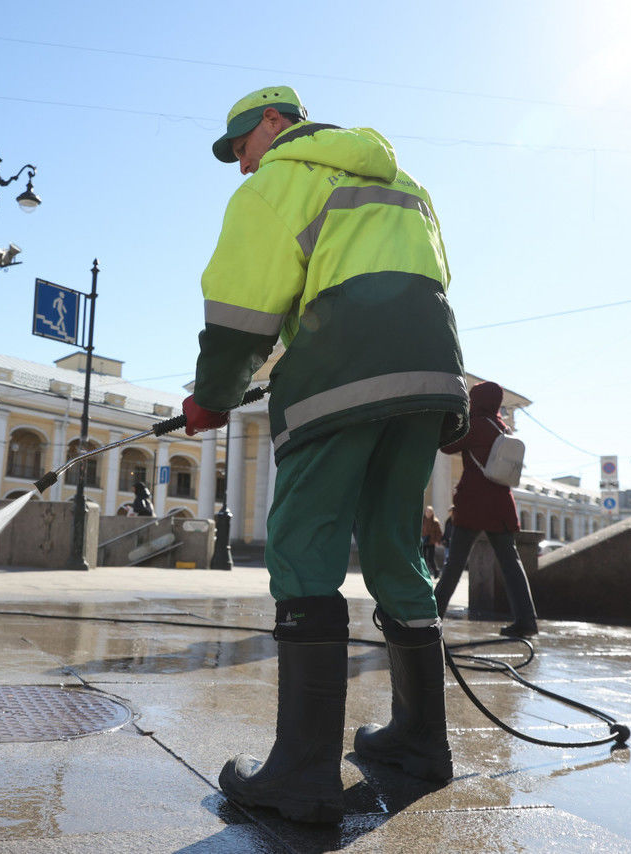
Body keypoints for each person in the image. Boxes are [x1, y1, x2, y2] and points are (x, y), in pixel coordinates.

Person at [181, 86, 468, 823]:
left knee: (303, 546)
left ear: (272, 123)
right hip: (430, 376)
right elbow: (437, 285)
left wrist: (214, 394)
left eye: (241, 146)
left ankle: (302, 776)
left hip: (338, 378)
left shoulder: (282, 179)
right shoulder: (404, 183)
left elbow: (241, 308)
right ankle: (418, 743)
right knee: (395, 547)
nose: (242, 166)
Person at [432, 381, 538, 637]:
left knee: (454, 565)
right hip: (501, 506)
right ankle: (527, 621)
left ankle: (430, 620)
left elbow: (446, 446)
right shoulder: (503, 427)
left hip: (473, 505)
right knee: (512, 566)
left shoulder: (477, 424)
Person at [421, 506, 443, 579]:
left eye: (430, 512)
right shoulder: (422, 520)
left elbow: (439, 533)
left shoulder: (435, 522)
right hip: (423, 542)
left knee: (431, 559)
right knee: (422, 558)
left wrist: (437, 541)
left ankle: (436, 571)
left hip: (431, 542)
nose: (428, 513)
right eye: (427, 511)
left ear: (432, 512)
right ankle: (423, 573)